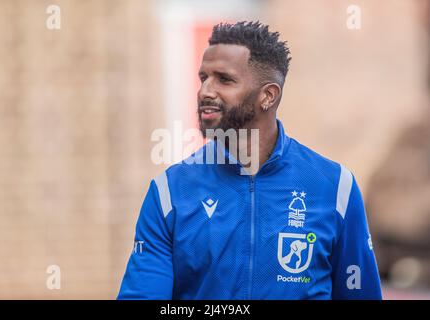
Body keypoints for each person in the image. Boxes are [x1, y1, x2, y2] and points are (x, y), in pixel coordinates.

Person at [117, 21, 382, 299]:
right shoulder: (169, 191)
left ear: (268, 96)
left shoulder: (335, 186)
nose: (205, 91)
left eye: (224, 79)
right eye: (203, 77)